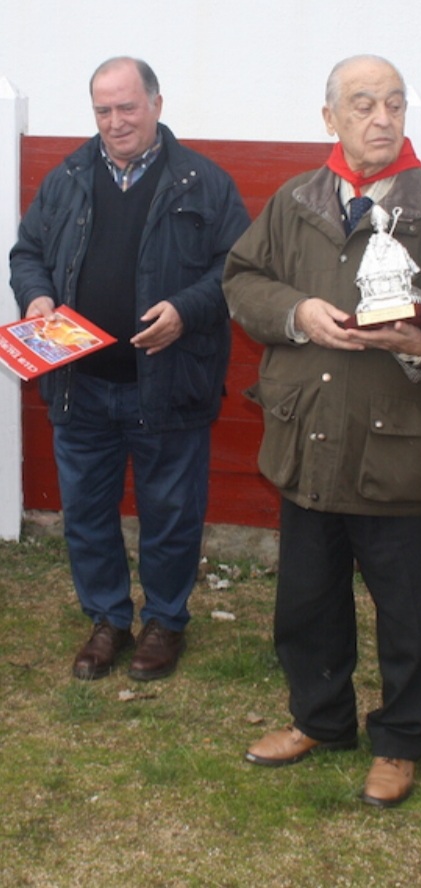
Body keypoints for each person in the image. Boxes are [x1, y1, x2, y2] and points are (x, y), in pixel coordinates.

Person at [222, 54, 421, 807]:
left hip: (398, 444)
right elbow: (242, 279)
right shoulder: (295, 201)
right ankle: (319, 719)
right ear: (331, 119)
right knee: (307, 599)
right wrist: (297, 313)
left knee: (407, 609)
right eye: (363, 105)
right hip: (309, 436)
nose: (382, 119)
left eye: (393, 104)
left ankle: (400, 741)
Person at [10, 57, 250, 682]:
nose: (115, 122)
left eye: (127, 107)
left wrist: (187, 309)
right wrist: (36, 297)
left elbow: (238, 268)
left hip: (167, 384)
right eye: (103, 110)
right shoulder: (67, 176)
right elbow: (28, 251)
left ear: (156, 104)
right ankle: (109, 620)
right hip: (80, 384)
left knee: (170, 514)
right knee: (86, 512)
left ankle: (165, 623)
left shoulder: (206, 182)